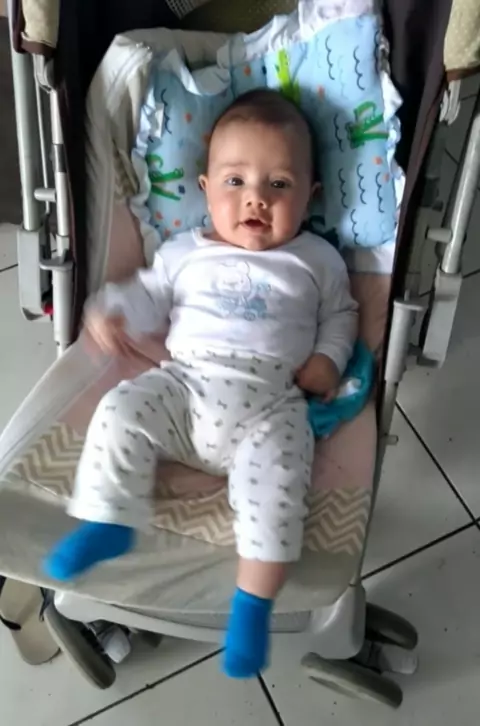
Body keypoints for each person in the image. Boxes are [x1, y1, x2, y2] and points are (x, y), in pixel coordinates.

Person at [43, 89, 358, 678]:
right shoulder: (184, 252)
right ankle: (109, 521)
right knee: (120, 410)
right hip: (183, 388)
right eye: (235, 182)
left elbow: (342, 315)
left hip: (271, 405)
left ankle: (252, 604)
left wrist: (328, 359)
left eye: (280, 184)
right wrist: (112, 310)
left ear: (311, 195)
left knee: (279, 485)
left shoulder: (318, 259)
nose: (256, 199)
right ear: (206, 188)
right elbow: (147, 294)